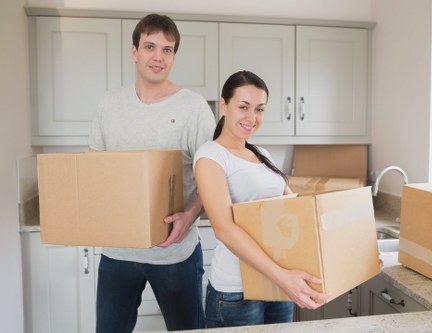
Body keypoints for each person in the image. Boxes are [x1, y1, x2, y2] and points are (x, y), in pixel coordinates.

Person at [89, 13, 216, 332]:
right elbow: (94, 172)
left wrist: (189, 216)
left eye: (167, 49)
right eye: (150, 46)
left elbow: (213, 178)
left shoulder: (194, 107)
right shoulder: (108, 104)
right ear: (134, 51)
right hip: (116, 252)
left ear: (174, 55)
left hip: (174, 251)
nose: (158, 57)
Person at [193, 70, 329, 328]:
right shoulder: (210, 156)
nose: (252, 117)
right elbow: (224, 229)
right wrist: (283, 277)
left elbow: (297, 210)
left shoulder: (262, 154)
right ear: (224, 105)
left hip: (279, 284)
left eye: (260, 109)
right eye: (243, 107)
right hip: (237, 291)